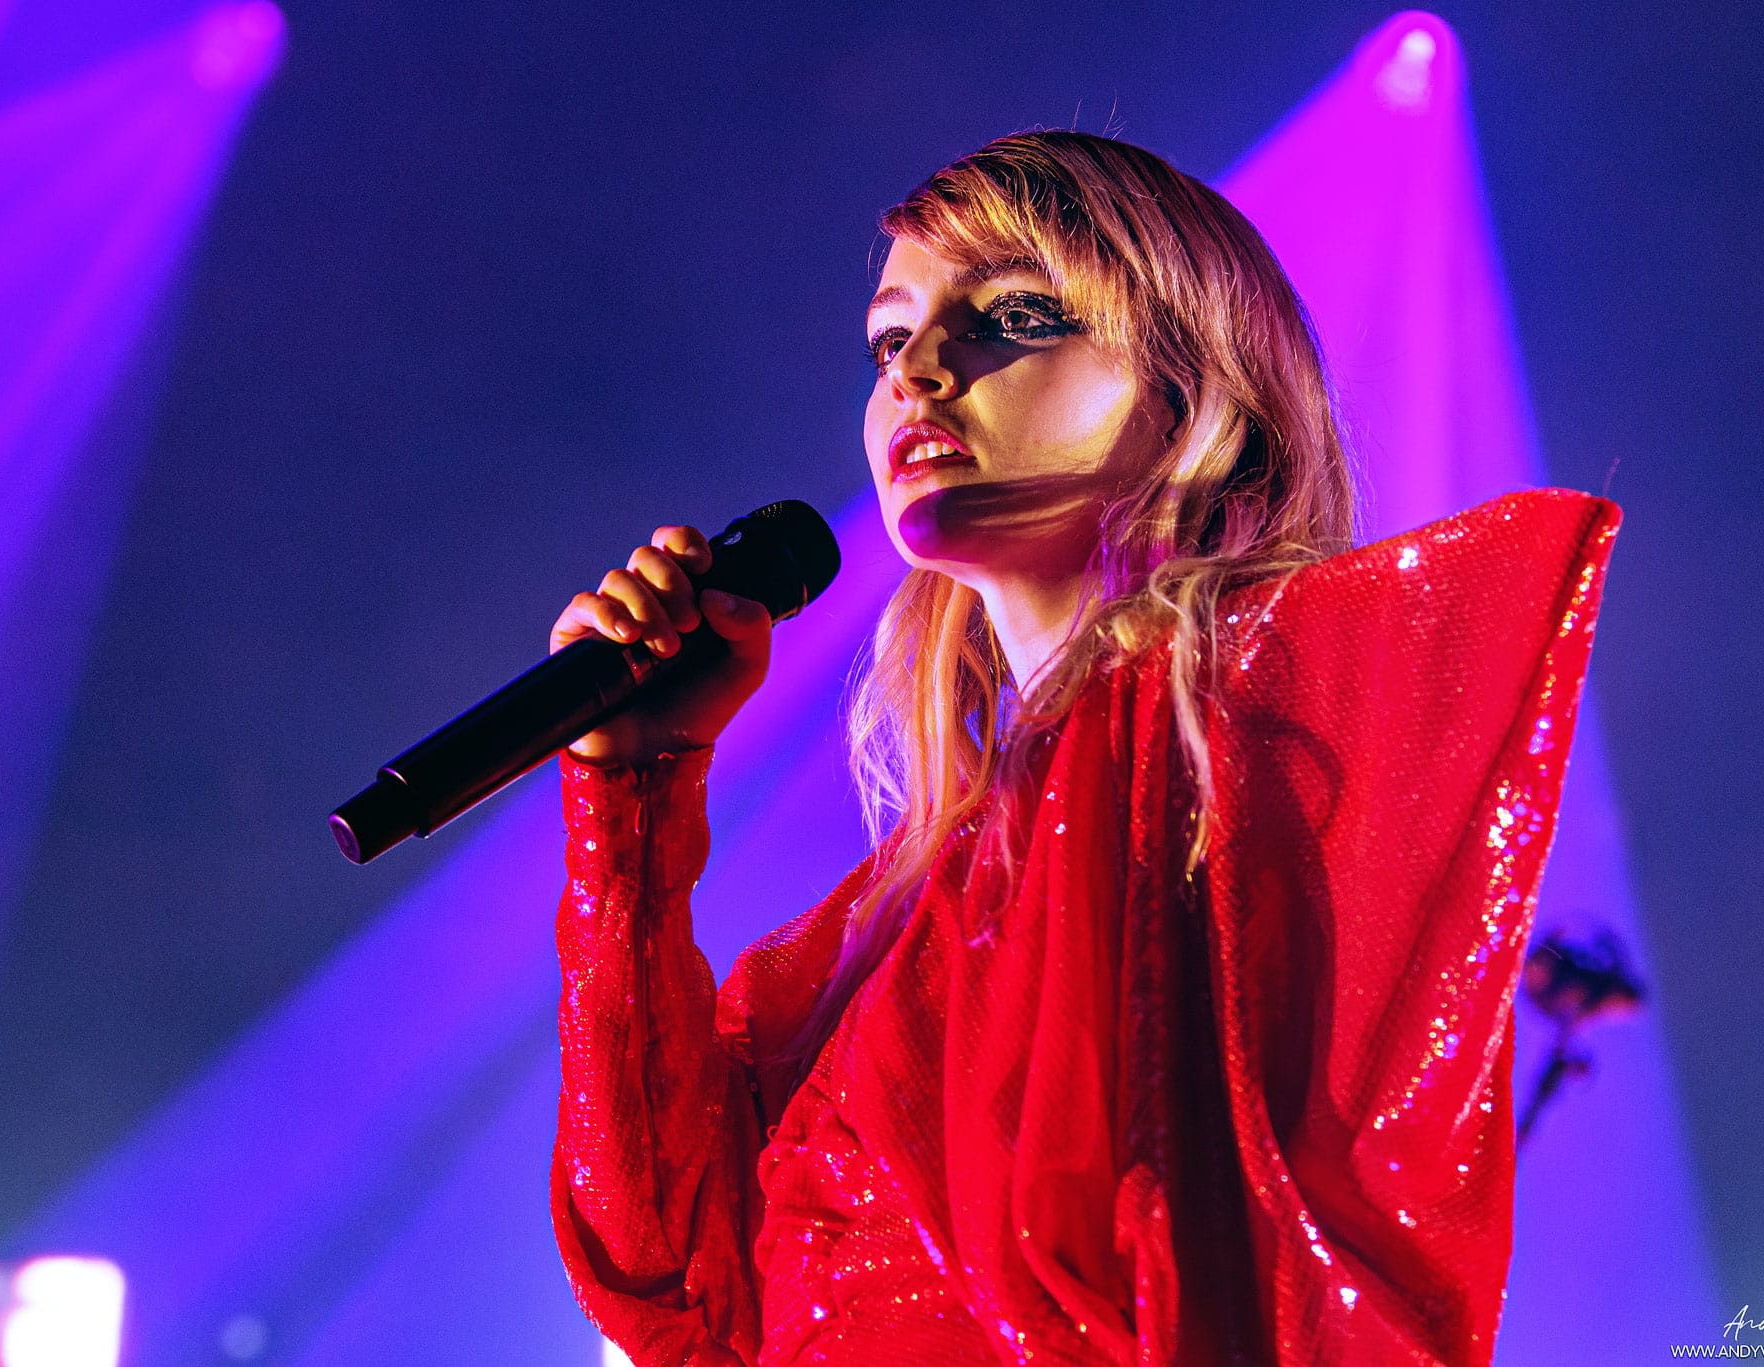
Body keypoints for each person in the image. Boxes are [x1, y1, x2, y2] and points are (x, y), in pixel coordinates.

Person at [546, 131, 1621, 1366]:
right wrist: (628, 797)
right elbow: (670, 1285)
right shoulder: (884, 920)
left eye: (1012, 314)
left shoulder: (1281, 731)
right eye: (889, 339)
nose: (922, 373)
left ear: (1195, 382)